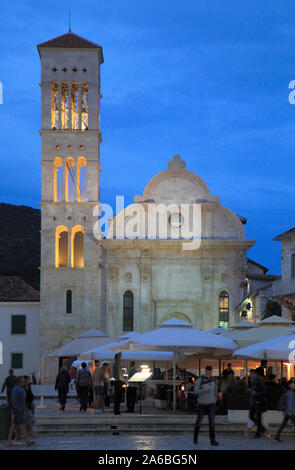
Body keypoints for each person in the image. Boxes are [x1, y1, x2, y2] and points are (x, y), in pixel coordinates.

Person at [193, 365, 219, 446]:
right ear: (205, 372)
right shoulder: (200, 380)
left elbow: (215, 391)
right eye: (207, 373)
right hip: (202, 404)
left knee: (212, 423)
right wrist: (203, 390)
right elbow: (195, 391)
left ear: (212, 372)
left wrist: (214, 400)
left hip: (211, 405)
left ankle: (213, 440)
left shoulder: (214, 380)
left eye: (210, 373)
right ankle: (195, 438)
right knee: (198, 422)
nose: (209, 374)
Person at [6, 376, 35, 447]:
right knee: (21, 426)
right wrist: (18, 408)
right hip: (17, 410)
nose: (24, 381)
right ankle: (28, 441)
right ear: (20, 382)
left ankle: (8, 441)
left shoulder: (22, 388)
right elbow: (14, 400)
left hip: (20, 410)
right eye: (23, 381)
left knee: (13, 426)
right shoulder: (16, 389)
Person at [251, 368, 268, 438]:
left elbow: (265, 391)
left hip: (259, 401)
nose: (250, 375)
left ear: (255, 374)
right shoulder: (253, 381)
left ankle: (258, 433)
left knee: (258, 417)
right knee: (251, 416)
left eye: (251, 374)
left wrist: (256, 393)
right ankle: (262, 429)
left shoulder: (259, 381)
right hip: (254, 401)